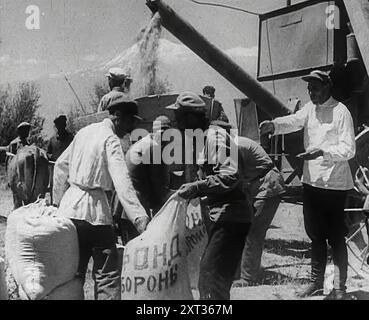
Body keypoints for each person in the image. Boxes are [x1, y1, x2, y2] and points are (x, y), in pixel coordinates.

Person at [260, 70, 356, 300]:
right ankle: (316, 283)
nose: (311, 92)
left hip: (334, 185)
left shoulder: (342, 112)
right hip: (311, 182)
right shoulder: (310, 109)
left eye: (315, 88)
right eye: (309, 89)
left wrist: (322, 152)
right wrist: (273, 125)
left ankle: (340, 288)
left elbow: (349, 149)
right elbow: (294, 121)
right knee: (315, 234)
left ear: (327, 88)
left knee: (335, 236)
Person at [53, 93, 150, 300]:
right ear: (116, 116)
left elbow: (60, 166)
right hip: (96, 213)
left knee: (73, 272)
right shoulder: (111, 139)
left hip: (70, 212)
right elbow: (122, 182)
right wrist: (139, 217)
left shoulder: (84, 132)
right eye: (129, 120)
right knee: (107, 275)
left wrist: (58, 202)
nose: (130, 126)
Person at [168, 91, 253, 300]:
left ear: (190, 118)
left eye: (177, 116)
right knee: (208, 279)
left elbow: (230, 176)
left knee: (213, 279)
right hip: (220, 216)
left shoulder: (214, 137)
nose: (175, 121)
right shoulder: (201, 139)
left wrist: (196, 187)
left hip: (231, 217)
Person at [208, 119, 286, 287]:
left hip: (268, 186)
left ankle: (248, 277)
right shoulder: (231, 146)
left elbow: (233, 180)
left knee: (253, 231)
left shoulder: (236, 147)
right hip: (257, 186)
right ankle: (238, 271)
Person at [112, 115, 174, 244]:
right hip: (135, 211)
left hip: (124, 208)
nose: (165, 139)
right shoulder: (153, 148)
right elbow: (158, 190)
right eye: (163, 133)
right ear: (155, 131)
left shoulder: (143, 144)